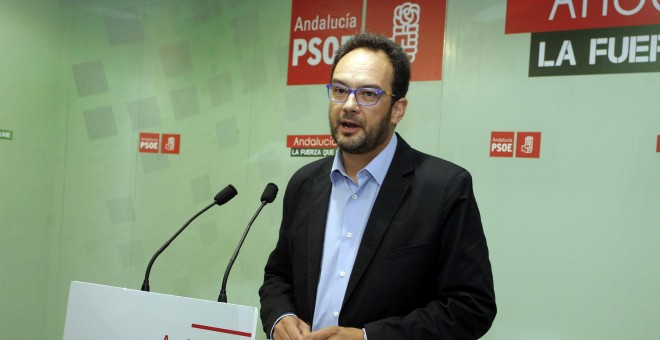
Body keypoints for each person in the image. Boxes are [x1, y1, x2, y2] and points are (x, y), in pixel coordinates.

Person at [259, 32, 496, 339]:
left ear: (398, 109)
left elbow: (470, 307)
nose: (349, 106)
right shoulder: (304, 183)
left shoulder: (444, 188)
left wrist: (368, 337)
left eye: (368, 94)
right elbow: (279, 275)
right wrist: (281, 316)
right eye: (340, 91)